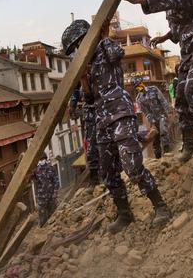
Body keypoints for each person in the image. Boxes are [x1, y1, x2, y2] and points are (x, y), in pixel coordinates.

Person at [61, 19, 171, 233]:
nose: (76, 50)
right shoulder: (85, 64)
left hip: (120, 112)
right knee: (108, 171)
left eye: (78, 45)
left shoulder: (104, 47)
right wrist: (83, 76)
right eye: (73, 49)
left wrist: (102, 38)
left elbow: (117, 54)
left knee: (131, 165)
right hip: (102, 119)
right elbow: (89, 95)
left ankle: (161, 206)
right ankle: (124, 214)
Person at [120, 0, 193, 162]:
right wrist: (165, 37)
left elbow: (167, 0)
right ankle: (189, 142)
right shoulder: (171, 2)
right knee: (180, 97)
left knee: (192, 89)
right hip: (189, 53)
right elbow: (180, 25)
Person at [69, 85, 100, 193]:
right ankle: (95, 179)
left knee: (109, 146)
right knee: (91, 149)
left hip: (105, 109)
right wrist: (72, 105)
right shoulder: (82, 77)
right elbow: (76, 89)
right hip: (90, 115)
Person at [134, 78, 171, 158]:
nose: (139, 87)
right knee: (155, 137)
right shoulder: (139, 99)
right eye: (137, 87)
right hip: (153, 119)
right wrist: (152, 122)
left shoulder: (153, 89)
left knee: (164, 132)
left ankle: (167, 153)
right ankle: (157, 157)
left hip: (162, 115)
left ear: (142, 83)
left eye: (139, 85)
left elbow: (162, 100)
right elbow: (146, 112)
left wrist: (168, 111)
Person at [32, 153, 59, 226]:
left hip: (51, 196)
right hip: (41, 197)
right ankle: (43, 229)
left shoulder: (51, 168)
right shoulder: (36, 170)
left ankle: (53, 230)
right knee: (42, 216)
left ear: (46, 159)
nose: (41, 161)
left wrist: (55, 192)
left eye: (43, 159)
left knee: (53, 215)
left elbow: (56, 180)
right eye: (40, 159)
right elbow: (31, 179)